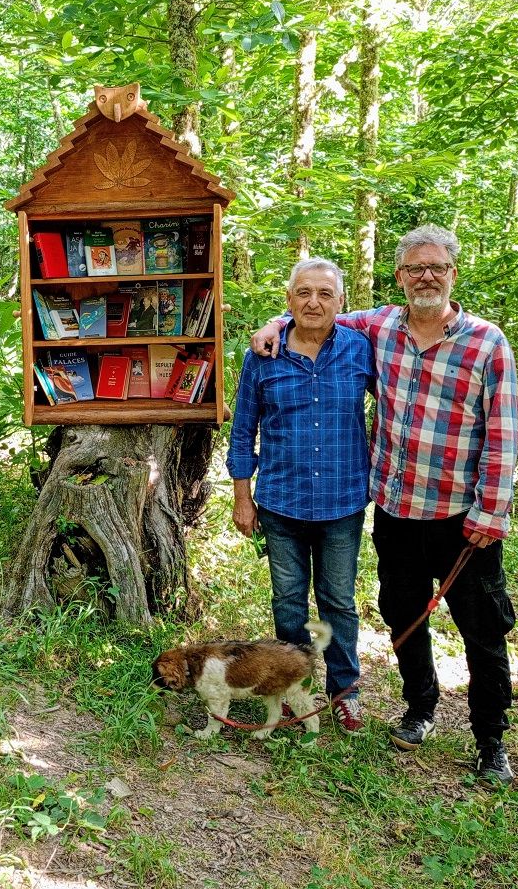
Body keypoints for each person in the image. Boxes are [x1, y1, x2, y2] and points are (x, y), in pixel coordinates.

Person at [251, 224, 518, 783]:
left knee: (481, 628)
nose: (426, 276)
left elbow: (503, 433)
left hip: (461, 518)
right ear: (399, 277)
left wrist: (490, 512)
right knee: (404, 616)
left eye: (436, 268)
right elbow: (317, 315)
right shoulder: (380, 328)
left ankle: (490, 738)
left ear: (452, 274)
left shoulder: (487, 343)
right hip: (396, 510)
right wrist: (275, 323)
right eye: (415, 268)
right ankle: (420, 709)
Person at [227, 258, 375, 733]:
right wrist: (241, 496)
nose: (314, 302)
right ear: (288, 300)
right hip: (281, 501)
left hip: (342, 500)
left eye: (325, 294)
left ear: (341, 302)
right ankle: (292, 688)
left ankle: (344, 691)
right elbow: (243, 427)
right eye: (304, 293)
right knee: (288, 600)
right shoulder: (262, 357)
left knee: (338, 600)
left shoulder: (360, 348)